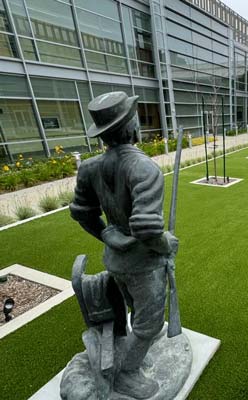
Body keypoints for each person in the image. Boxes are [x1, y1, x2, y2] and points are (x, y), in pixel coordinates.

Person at [69, 92, 178, 399]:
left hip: (115, 260)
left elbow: (82, 213)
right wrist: (166, 244)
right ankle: (126, 373)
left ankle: (132, 352)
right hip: (144, 265)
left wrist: (107, 235)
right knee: (148, 324)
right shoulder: (144, 168)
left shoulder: (89, 167)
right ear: (131, 127)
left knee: (134, 308)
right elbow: (146, 229)